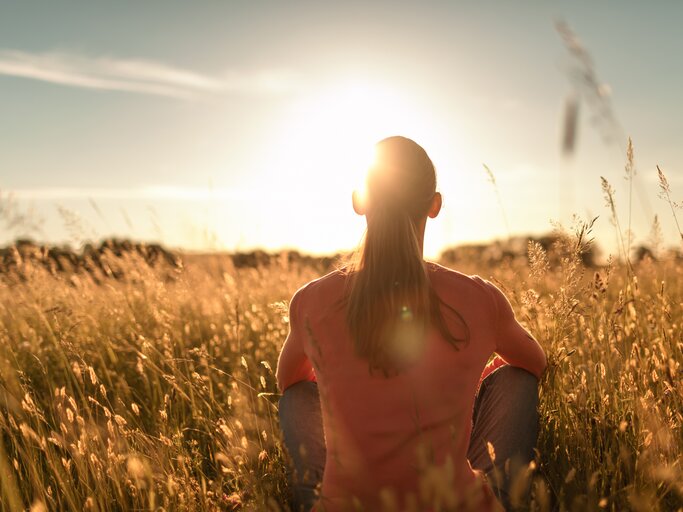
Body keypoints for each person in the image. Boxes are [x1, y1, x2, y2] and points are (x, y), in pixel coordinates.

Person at [276, 136, 547, 512]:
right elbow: (535, 362)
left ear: (360, 201)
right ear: (434, 206)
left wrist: (351, 383)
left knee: (297, 398)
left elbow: (288, 381)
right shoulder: (480, 299)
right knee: (515, 378)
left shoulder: (311, 301)